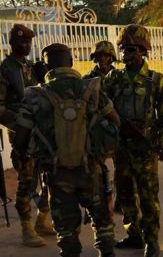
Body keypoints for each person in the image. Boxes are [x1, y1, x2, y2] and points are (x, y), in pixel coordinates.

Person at [12, 43, 120, 257]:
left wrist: (24, 154)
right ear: (71, 63)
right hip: (91, 171)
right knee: (103, 225)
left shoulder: (34, 95)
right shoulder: (92, 88)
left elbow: (21, 136)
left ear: (45, 66)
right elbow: (115, 121)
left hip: (57, 173)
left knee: (66, 233)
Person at [103, 24, 163, 257]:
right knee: (124, 195)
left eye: (132, 49)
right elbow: (102, 107)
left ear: (144, 51)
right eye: (123, 49)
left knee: (148, 197)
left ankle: (151, 242)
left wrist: (162, 140)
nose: (126, 54)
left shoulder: (155, 80)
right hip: (122, 147)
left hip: (145, 149)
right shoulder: (113, 78)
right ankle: (134, 234)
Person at [0, 24, 54, 247]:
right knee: (26, 179)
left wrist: (47, 80)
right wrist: (20, 124)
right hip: (23, 133)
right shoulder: (6, 68)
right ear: (12, 44)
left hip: (41, 132)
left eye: (29, 42)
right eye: (22, 42)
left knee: (49, 175)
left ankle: (43, 219)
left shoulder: (31, 67)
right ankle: (26, 227)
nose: (27, 45)